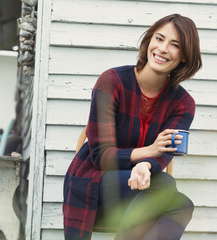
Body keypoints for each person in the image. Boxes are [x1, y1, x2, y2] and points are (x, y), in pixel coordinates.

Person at [63, 13, 202, 240]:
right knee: (164, 183)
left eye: (175, 45)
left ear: (185, 56)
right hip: (94, 183)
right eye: (159, 39)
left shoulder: (183, 103)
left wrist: (146, 166)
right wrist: (147, 154)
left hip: (143, 187)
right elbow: (100, 156)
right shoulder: (112, 81)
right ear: (149, 41)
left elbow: (165, 153)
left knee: (182, 205)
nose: (163, 48)